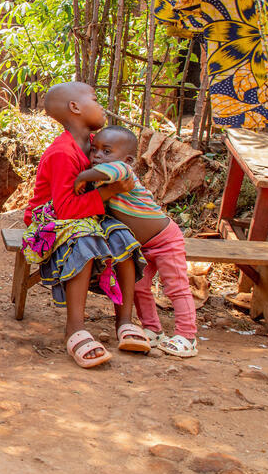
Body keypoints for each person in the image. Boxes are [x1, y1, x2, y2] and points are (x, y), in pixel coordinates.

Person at [22, 83, 148, 368]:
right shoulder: (62, 153)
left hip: (87, 215)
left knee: (123, 238)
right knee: (85, 240)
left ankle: (125, 321)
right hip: (50, 221)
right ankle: (75, 327)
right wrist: (109, 192)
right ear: (75, 108)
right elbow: (65, 209)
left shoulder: (98, 145)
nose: (101, 105)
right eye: (94, 99)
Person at [74, 126, 199, 358]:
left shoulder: (123, 171)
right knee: (139, 287)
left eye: (106, 151)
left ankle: (188, 336)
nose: (98, 156)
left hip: (165, 240)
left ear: (128, 159)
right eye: (94, 150)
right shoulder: (103, 176)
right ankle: (152, 328)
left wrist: (82, 176)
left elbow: (109, 170)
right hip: (140, 246)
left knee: (176, 287)